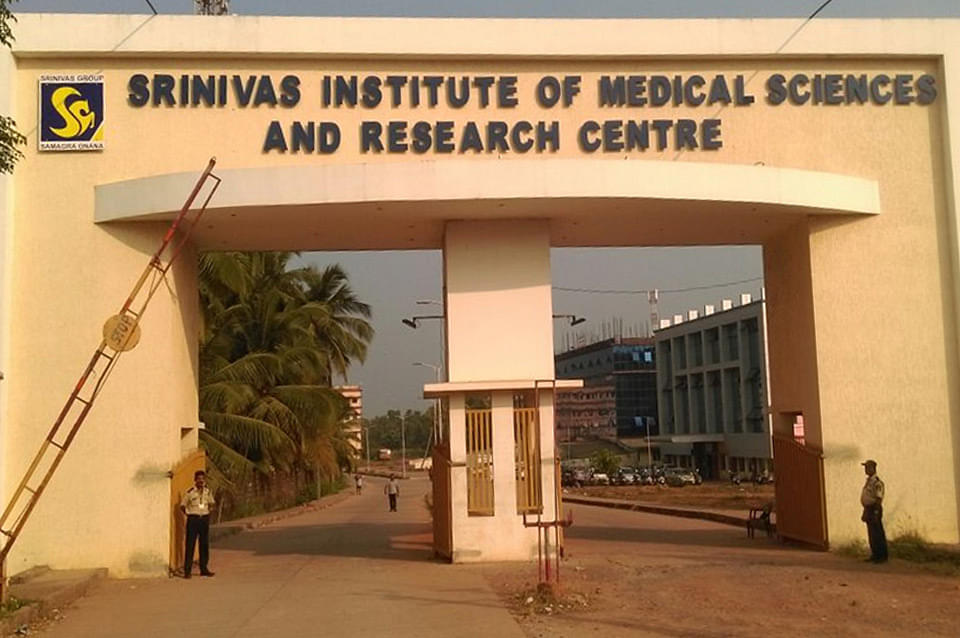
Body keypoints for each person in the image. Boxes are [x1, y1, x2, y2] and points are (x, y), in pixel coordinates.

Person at [180, 469, 216, 578]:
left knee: (204, 544)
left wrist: (209, 512)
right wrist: (188, 514)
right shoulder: (190, 492)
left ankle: (204, 569)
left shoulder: (207, 492)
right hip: (193, 519)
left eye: (202, 479)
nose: (201, 481)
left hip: (204, 519)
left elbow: (212, 503)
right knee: (190, 545)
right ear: (195, 480)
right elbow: (182, 505)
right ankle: (187, 571)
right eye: (199, 479)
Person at [860, 459, 888, 563]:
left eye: (868, 467)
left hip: (874, 508)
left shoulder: (877, 482)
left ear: (873, 468)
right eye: (865, 468)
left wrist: (876, 512)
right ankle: (875, 554)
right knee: (871, 533)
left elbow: (878, 498)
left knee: (877, 533)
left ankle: (881, 556)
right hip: (868, 508)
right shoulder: (869, 481)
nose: (866, 470)